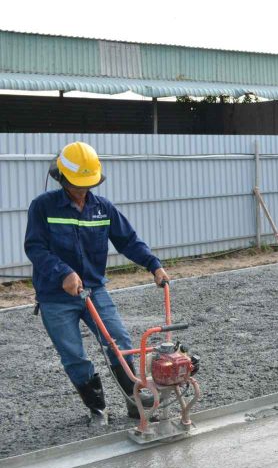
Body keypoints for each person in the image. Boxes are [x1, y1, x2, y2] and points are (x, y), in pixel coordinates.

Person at [24, 141, 170, 425]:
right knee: (74, 356)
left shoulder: (102, 208)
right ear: (62, 177)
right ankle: (97, 409)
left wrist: (154, 265)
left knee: (119, 342)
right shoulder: (43, 207)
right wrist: (63, 273)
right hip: (55, 296)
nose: (83, 190)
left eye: (87, 184)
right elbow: (35, 248)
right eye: (77, 184)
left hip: (95, 289)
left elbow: (127, 240)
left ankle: (135, 401)